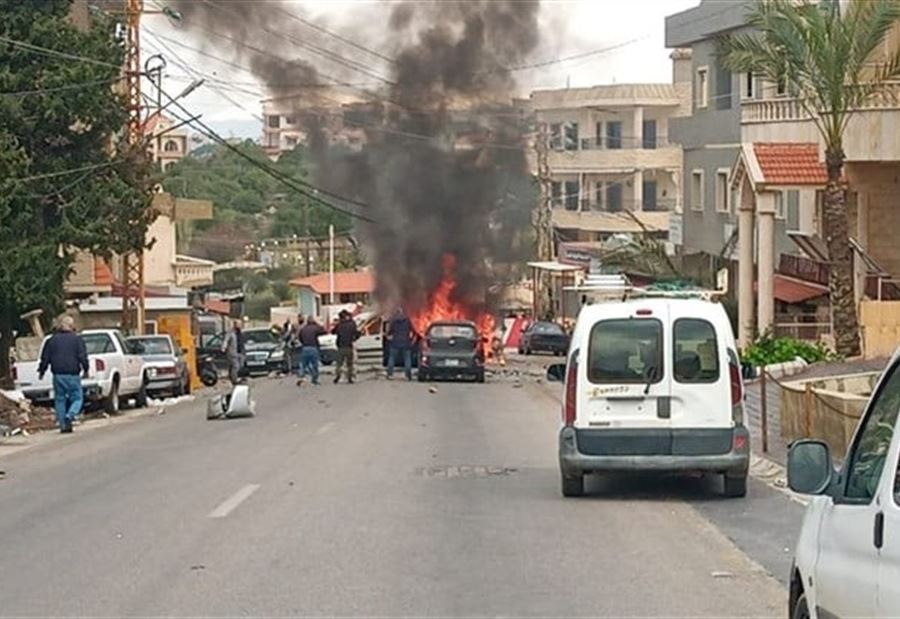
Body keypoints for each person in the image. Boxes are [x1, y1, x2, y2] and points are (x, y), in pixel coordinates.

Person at [38, 315, 89, 434]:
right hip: (73, 374)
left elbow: (45, 358)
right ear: (72, 326)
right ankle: (70, 416)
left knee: (59, 400)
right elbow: (82, 356)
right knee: (77, 398)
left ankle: (63, 425)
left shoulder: (51, 340)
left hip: (58, 375)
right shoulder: (77, 340)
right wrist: (86, 369)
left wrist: (42, 371)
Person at [332, 310, 361, 384]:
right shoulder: (352, 324)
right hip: (349, 346)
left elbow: (333, 332)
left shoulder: (339, 325)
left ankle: (337, 377)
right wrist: (355, 338)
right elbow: (356, 333)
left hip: (340, 346)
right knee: (350, 364)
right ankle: (350, 378)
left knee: (339, 363)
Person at [296, 315, 326, 386]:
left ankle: (301, 377)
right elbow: (324, 331)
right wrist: (317, 323)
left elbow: (300, 337)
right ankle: (314, 380)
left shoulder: (303, 329)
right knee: (314, 365)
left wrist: (304, 343)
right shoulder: (315, 328)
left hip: (305, 348)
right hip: (313, 348)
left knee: (303, 364)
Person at [386, 307, 414, 381]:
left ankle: (390, 374)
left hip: (395, 343)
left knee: (392, 358)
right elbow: (412, 331)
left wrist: (388, 336)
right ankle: (408, 375)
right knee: (407, 359)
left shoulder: (394, 321)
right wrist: (411, 339)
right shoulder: (407, 320)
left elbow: (389, 332)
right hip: (405, 342)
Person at [222, 319, 245, 385]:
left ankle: (236, 377)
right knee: (236, 366)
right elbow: (226, 340)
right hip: (232, 352)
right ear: (235, 325)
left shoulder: (241, 332)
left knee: (240, 366)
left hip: (241, 352)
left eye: (240, 324)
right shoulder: (230, 332)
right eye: (238, 324)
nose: (240, 325)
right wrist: (224, 347)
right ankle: (234, 380)